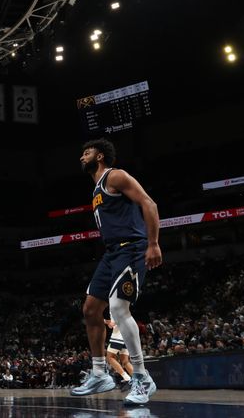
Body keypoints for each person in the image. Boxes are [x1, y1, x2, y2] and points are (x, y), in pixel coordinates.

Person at [70, 138, 162, 405]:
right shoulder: (97, 188)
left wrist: (153, 243)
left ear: (99, 156)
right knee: (89, 310)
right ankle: (100, 373)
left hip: (131, 248)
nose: (81, 157)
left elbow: (149, 204)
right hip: (111, 253)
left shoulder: (115, 176)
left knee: (118, 308)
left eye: (86, 153)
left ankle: (143, 378)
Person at [105, 316, 133, 388]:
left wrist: (103, 320)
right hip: (126, 334)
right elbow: (111, 325)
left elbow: (112, 324)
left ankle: (127, 379)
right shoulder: (119, 306)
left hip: (119, 334)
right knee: (125, 362)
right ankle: (138, 381)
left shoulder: (114, 306)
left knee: (110, 357)